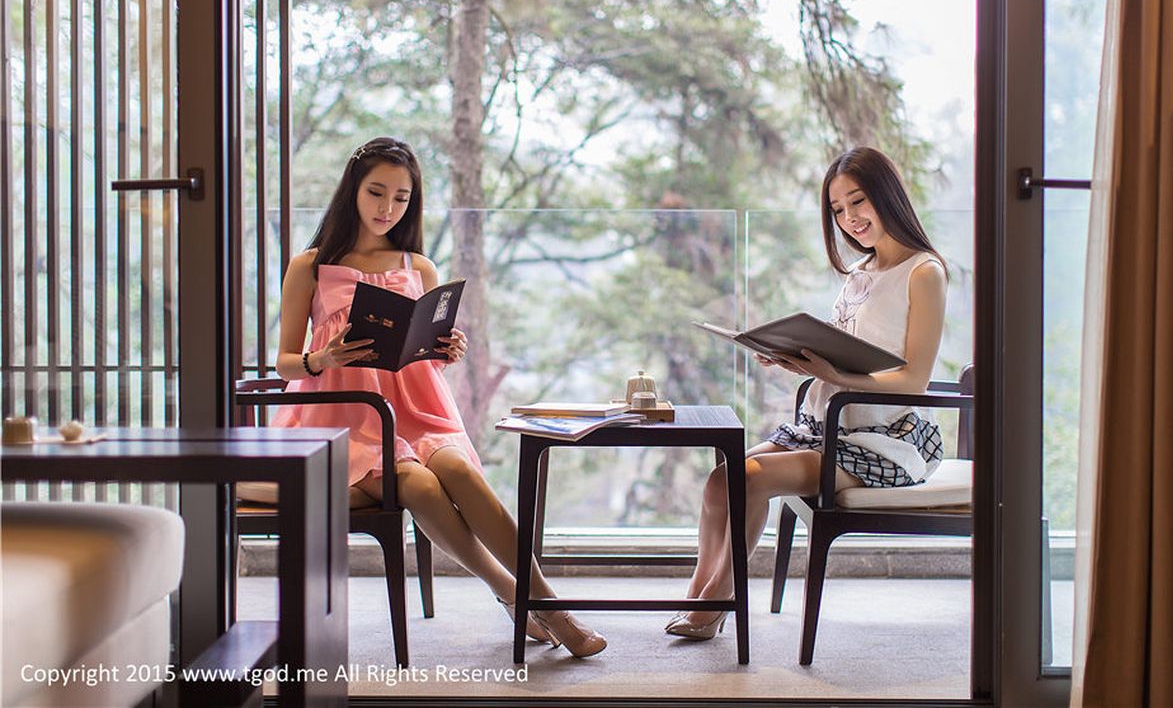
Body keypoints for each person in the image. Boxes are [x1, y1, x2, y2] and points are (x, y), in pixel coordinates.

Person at [268, 137, 606, 658]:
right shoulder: (310, 265)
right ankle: (525, 599)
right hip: (344, 417)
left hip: (419, 411)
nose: (386, 208)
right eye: (376, 192)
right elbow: (284, 361)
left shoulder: (418, 266)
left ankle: (542, 601)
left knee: (464, 474)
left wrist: (448, 348)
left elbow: (422, 347)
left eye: (400, 198)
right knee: (421, 488)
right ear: (351, 191)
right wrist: (323, 358)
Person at [667, 146, 949, 640]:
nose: (849, 218)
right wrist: (797, 359)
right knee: (719, 481)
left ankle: (715, 604)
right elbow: (849, 356)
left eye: (857, 201)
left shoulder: (923, 272)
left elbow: (913, 382)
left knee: (751, 478)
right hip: (826, 426)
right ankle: (700, 594)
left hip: (885, 441)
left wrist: (836, 375)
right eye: (837, 210)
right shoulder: (861, 273)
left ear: (886, 196)